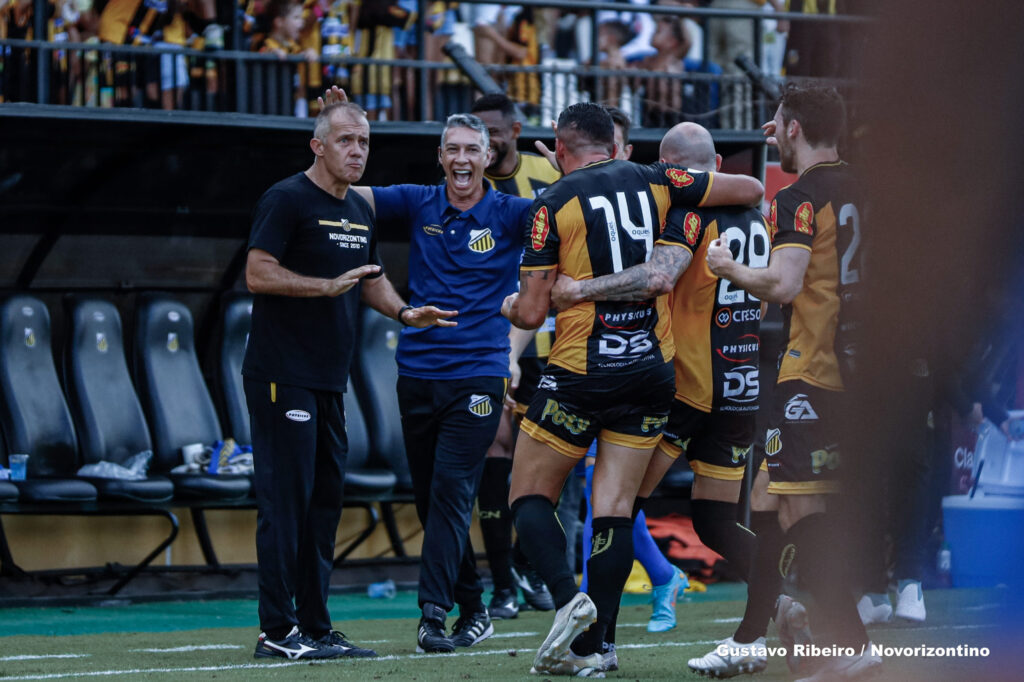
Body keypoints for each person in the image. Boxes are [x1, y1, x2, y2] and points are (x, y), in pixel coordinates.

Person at [503, 102, 763, 676]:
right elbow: (746, 186)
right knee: (616, 511)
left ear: (560, 146)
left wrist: (514, 304)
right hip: (654, 375)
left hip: (581, 373)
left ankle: (571, 603)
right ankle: (600, 647)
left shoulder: (552, 203)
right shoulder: (658, 182)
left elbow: (531, 311)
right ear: (616, 145)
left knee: (526, 497)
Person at [319, 95, 534, 652]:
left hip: (480, 376)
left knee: (450, 492)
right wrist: (332, 133)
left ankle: (432, 615)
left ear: (489, 158)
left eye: (473, 150)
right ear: (440, 157)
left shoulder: (512, 211)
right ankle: (475, 604)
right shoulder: (418, 202)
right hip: (416, 371)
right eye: (453, 150)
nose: (462, 159)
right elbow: (335, 189)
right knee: (430, 498)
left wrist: (575, 169)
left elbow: (565, 214)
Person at [243, 101, 454, 660]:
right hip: (281, 376)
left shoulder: (359, 210)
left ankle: (314, 625)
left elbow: (369, 279)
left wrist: (407, 314)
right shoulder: (286, 198)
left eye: (363, 142)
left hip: (328, 381)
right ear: (318, 145)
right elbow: (257, 272)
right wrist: (322, 286)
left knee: (322, 506)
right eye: (345, 141)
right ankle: (276, 632)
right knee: (285, 504)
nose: (357, 151)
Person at [702, 83, 880, 680]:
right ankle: (753, 635)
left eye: (776, 123)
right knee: (767, 501)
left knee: (803, 514)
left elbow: (783, 284)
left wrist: (730, 268)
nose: (769, 132)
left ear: (797, 128)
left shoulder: (797, 197)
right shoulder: (864, 187)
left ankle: (850, 642)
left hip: (812, 370)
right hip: (852, 369)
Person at [470, 92, 561, 620]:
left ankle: (527, 566)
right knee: (494, 456)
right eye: (478, 134)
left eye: (494, 131)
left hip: (553, 347)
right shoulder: (467, 186)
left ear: (514, 129)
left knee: (544, 467)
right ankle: (502, 582)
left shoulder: (543, 174)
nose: (487, 142)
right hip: (491, 345)